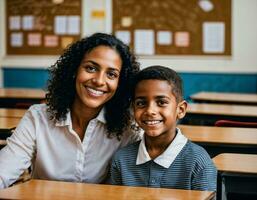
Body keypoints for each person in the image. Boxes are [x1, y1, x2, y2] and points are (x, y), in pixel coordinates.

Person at [0, 33, 140, 189]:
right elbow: (3, 171)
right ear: (75, 70)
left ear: (120, 83)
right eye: (91, 68)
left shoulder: (127, 129)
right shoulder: (38, 118)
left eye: (111, 74)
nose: (99, 81)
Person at [109, 65, 217, 191]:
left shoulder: (198, 162)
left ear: (180, 110)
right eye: (141, 103)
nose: (150, 111)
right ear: (133, 109)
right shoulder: (122, 159)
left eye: (161, 102)